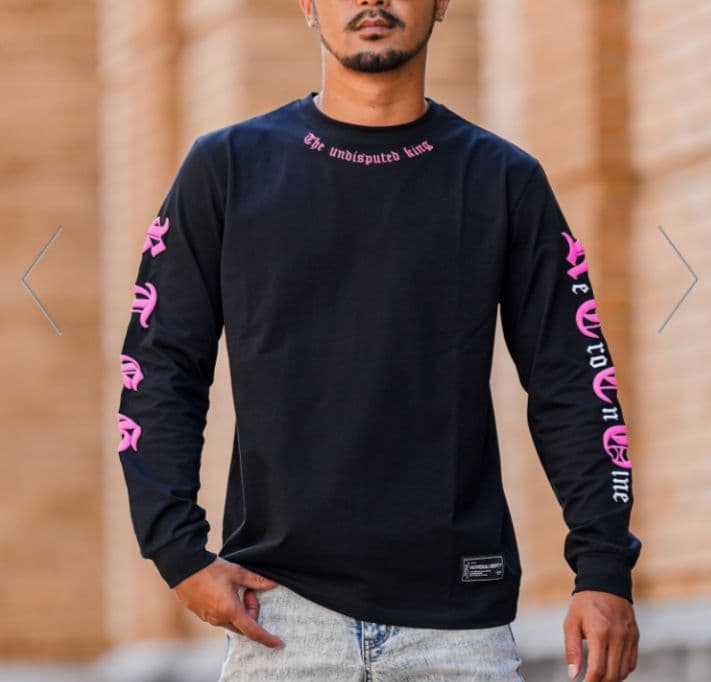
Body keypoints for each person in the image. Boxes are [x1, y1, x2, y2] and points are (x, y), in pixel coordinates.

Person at [116, 1, 642, 680]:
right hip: (281, 619)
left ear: (442, 3)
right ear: (308, 4)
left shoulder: (502, 179)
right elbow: (159, 365)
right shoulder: (227, 168)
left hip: (458, 630)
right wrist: (177, 551)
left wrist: (603, 566)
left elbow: (572, 376)